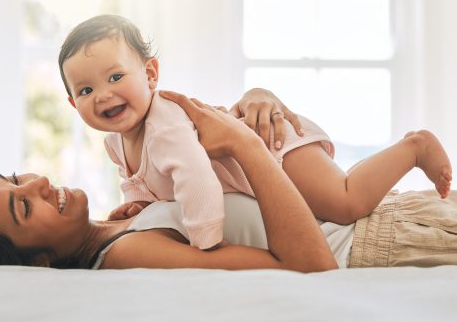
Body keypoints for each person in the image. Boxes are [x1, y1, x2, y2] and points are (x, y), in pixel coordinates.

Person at [0, 90, 457, 270]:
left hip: (398, 212)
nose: (35, 184)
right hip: (382, 244)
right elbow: (312, 267)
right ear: (33, 266)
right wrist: (246, 145)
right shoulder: (126, 256)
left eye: (15, 178)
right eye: (22, 207)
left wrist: (257, 106)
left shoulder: (114, 220)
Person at [57, 15, 452, 249]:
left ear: (150, 74)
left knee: (346, 202)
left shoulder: (164, 126)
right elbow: (141, 182)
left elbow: (198, 184)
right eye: (87, 90)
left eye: (115, 76)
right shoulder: (116, 143)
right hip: (260, 170)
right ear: (74, 104)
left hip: (274, 146)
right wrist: (140, 207)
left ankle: (413, 147)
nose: (104, 95)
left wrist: (206, 241)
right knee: (322, 217)